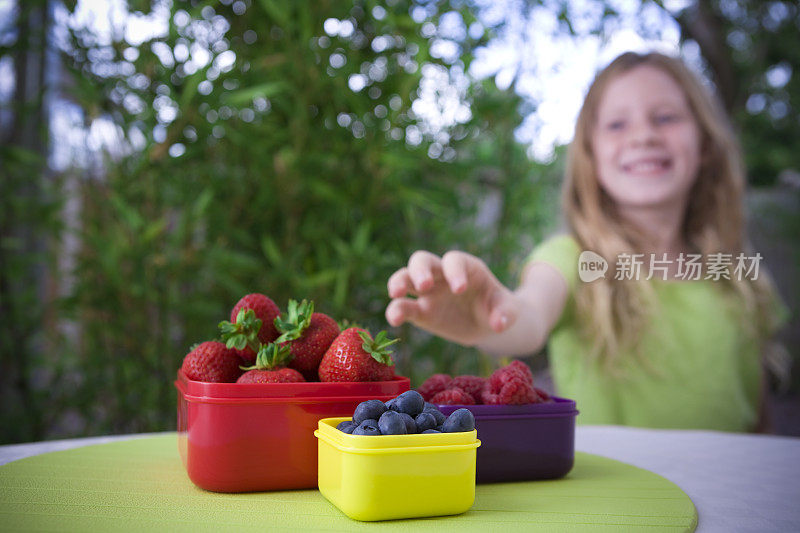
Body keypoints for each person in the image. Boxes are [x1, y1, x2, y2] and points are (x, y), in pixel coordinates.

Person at [385, 51, 787, 432]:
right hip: (621, 500)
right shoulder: (575, 258)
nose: (644, 135)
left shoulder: (738, 273)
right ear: (591, 156)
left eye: (666, 117)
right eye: (616, 124)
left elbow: (757, 418)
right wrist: (489, 316)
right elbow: (528, 316)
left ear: (705, 147)